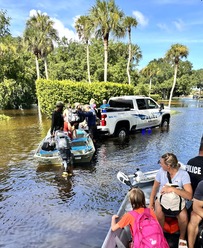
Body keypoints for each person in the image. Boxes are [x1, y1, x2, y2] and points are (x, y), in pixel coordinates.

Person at [149, 153, 193, 248]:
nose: (160, 165)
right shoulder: (161, 172)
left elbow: (189, 196)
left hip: (177, 202)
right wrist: (151, 203)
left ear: (168, 166)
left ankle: (182, 238)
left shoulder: (183, 175)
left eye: (161, 163)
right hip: (162, 200)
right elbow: (155, 187)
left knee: (183, 216)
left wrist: (173, 189)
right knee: (159, 210)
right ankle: (160, 233)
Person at [188, 180, 203, 248]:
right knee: (194, 218)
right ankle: (191, 246)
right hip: (200, 208)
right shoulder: (201, 184)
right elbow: (196, 207)